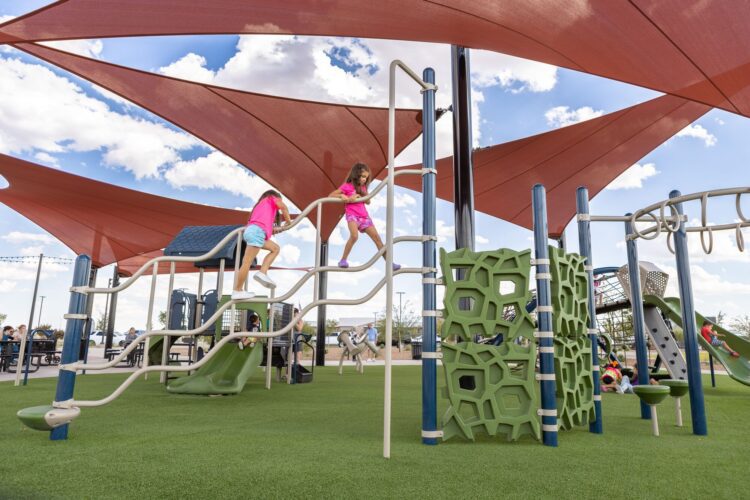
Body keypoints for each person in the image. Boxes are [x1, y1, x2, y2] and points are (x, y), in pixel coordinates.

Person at [330, 163, 400, 271]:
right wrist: (342, 196)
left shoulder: (362, 187)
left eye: (366, 178)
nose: (364, 179)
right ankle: (343, 260)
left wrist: (362, 195)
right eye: (362, 177)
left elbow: (368, 201)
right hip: (352, 216)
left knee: (377, 238)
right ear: (355, 175)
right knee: (354, 236)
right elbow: (331, 195)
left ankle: (389, 263)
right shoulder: (347, 186)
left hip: (364, 217)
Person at [232, 189, 292, 300]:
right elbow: (283, 207)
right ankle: (237, 290)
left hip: (252, 231)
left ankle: (262, 272)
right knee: (246, 263)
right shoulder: (272, 198)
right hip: (257, 232)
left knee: (275, 248)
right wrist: (288, 221)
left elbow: (265, 227)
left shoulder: (260, 205)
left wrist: (280, 229)